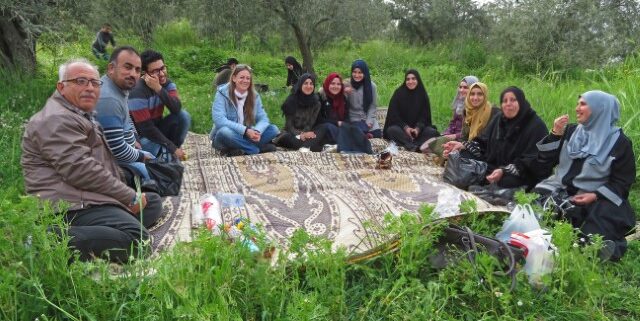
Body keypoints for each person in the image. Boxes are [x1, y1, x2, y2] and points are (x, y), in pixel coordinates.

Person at [21, 58, 162, 263]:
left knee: (153, 203)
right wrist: (127, 196)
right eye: (80, 81)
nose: (89, 88)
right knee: (138, 241)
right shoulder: (54, 119)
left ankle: (102, 230)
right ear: (61, 87)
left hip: (88, 197)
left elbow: (99, 163)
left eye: (95, 83)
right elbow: (80, 169)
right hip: (67, 206)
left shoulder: (77, 114)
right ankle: (48, 239)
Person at [534, 90, 636, 261]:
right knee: (537, 204)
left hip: (600, 197)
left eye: (583, 104)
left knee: (598, 221)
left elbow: (622, 182)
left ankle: (600, 249)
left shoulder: (620, 142)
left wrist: (595, 195)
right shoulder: (571, 131)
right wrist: (555, 134)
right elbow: (544, 163)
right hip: (566, 190)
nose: (577, 108)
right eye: (577, 104)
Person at [444, 87, 548, 191]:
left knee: (506, 181)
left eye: (513, 100)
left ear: (521, 101)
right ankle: (486, 183)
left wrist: (504, 170)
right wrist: (463, 145)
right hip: (494, 166)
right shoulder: (499, 119)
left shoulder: (536, 126)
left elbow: (534, 161)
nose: (508, 104)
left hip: (520, 172)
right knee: (463, 155)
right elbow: (483, 143)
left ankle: (487, 185)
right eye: (505, 101)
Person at [95, 46, 153, 181]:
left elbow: (127, 118)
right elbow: (116, 149)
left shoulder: (118, 87)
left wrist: (134, 137)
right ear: (111, 68)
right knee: (158, 174)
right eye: (127, 67)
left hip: (127, 148)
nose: (133, 74)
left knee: (156, 154)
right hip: (110, 163)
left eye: (137, 70)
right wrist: (141, 156)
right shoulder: (108, 98)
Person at [128, 49, 190, 161]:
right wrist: (171, 147)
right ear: (145, 74)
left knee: (183, 116)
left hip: (157, 128)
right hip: (140, 137)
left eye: (163, 68)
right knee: (149, 146)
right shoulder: (136, 91)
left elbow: (176, 108)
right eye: (156, 71)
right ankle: (167, 152)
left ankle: (169, 151)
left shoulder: (167, 84)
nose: (162, 74)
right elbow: (145, 128)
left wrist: (158, 89)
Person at [210, 64, 279, 156]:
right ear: (234, 78)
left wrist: (258, 131)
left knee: (273, 129)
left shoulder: (254, 95)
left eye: (248, 78)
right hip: (224, 137)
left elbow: (263, 119)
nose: (245, 81)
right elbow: (219, 120)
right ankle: (255, 149)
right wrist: (245, 130)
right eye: (242, 77)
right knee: (225, 131)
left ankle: (240, 150)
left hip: (244, 137)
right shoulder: (222, 93)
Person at [383, 69, 439, 152]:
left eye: (413, 79)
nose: (410, 81)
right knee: (391, 130)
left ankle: (411, 144)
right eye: (408, 79)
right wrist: (406, 128)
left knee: (432, 132)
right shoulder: (399, 93)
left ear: (418, 80)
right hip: (402, 130)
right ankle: (414, 146)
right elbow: (394, 115)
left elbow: (424, 116)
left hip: (418, 132)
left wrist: (417, 129)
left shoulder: (422, 94)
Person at [442, 82, 499, 157]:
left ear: (485, 95)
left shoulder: (494, 113)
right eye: (472, 94)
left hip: (488, 152)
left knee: (460, 157)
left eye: (480, 94)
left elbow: (493, 141)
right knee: (450, 153)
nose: (475, 98)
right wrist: (456, 147)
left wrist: (466, 147)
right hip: (471, 147)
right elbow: (464, 137)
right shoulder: (468, 111)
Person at [274, 73, 326, 151]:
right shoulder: (291, 100)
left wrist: (305, 134)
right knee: (289, 139)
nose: (309, 86)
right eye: (306, 83)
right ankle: (309, 147)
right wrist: (301, 134)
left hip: (306, 134)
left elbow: (310, 124)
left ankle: (306, 147)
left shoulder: (316, 103)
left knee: (323, 127)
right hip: (290, 133)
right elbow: (289, 126)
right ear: (300, 84)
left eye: (311, 84)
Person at [344, 59, 382, 138]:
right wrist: (343, 91)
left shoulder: (372, 86)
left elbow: (373, 106)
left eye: (360, 72)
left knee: (378, 133)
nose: (357, 75)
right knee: (359, 130)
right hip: (354, 117)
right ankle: (364, 135)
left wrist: (369, 121)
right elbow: (333, 92)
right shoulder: (347, 84)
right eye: (354, 72)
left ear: (365, 73)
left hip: (366, 116)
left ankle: (365, 134)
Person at [317, 72, 350, 144]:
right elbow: (319, 119)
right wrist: (337, 123)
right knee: (328, 127)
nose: (336, 86)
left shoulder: (343, 98)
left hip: (340, 128)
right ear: (328, 83)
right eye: (332, 83)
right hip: (324, 129)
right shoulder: (321, 97)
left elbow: (347, 117)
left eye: (338, 84)